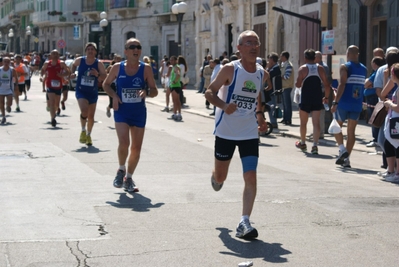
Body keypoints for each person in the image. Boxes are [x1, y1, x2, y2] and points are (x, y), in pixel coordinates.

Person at [205, 30, 271, 239]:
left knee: (250, 176)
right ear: (239, 48)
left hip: (249, 133)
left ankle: (244, 222)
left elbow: (257, 96)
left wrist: (260, 117)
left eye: (256, 43)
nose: (253, 46)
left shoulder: (262, 73)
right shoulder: (229, 69)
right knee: (221, 177)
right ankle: (216, 176)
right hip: (226, 131)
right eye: (248, 43)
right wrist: (224, 106)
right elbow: (209, 92)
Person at [103, 38, 158, 192]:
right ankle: (120, 170)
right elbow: (105, 84)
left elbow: (155, 90)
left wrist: (147, 92)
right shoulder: (116, 68)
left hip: (138, 112)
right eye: (132, 47)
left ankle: (129, 177)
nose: (136, 50)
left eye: (139, 47)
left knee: (136, 148)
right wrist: (114, 96)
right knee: (124, 143)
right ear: (126, 51)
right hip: (122, 110)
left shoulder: (145, 68)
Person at [331, 45, 367, 168]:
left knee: (336, 127)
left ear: (348, 54)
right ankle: (347, 159)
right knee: (351, 131)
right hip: (357, 103)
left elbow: (342, 84)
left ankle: (342, 149)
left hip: (344, 102)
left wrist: (335, 101)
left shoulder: (345, 67)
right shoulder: (364, 69)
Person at [295, 49, 331, 154]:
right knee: (316, 123)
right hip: (317, 97)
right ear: (314, 58)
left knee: (303, 123)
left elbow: (297, 84)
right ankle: (315, 145)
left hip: (305, 97)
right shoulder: (320, 68)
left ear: (305, 58)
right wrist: (326, 97)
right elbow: (327, 84)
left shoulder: (302, 69)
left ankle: (303, 142)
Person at [70, 43, 107, 145]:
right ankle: (83, 130)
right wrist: (72, 73)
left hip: (93, 92)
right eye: (88, 49)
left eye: (92, 49)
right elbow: (73, 65)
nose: (90, 51)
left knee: (91, 117)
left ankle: (88, 135)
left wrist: (98, 74)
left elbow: (104, 76)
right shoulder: (80, 60)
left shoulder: (98, 63)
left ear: (95, 51)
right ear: (85, 51)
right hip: (81, 90)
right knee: (84, 111)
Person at [40, 50, 70, 127]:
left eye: (56, 54)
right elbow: (42, 70)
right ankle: (53, 118)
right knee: (52, 103)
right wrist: (41, 77)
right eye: (53, 54)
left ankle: (54, 113)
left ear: (58, 55)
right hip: (50, 85)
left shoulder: (62, 63)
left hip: (58, 86)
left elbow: (68, 72)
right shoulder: (47, 63)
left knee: (56, 104)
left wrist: (62, 75)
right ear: (51, 55)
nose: (55, 55)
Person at [364, 56, 385, 147]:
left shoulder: (377, 72)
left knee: (375, 119)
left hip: (373, 98)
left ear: (374, 64)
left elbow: (366, 84)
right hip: (373, 97)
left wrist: (369, 85)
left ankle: (376, 139)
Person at [315, 51, 332, 139]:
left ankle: (320, 132)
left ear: (318, 58)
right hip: (318, 91)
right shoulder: (319, 66)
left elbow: (325, 81)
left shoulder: (323, 67)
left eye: (315, 57)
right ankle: (317, 131)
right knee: (316, 112)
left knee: (320, 112)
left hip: (322, 91)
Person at [265, 52, 282, 129]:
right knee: (271, 106)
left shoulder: (276, 68)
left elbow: (267, 75)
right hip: (271, 90)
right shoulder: (273, 68)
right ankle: (273, 122)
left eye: (269, 59)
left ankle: (274, 123)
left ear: (272, 59)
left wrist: (267, 67)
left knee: (272, 106)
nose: (268, 60)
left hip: (273, 90)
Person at [0, 57, 17, 124]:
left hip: (9, 88)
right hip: (1, 89)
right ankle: (3, 116)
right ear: (2, 62)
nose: (6, 63)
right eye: (5, 61)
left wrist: (16, 86)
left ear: (10, 62)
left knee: (10, 102)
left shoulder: (12, 70)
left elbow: (15, 78)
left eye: (8, 62)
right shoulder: (0, 70)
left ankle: (8, 106)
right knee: (1, 103)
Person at [280, 51, 294, 125]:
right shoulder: (283, 64)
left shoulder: (288, 65)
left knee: (287, 104)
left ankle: (288, 119)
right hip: (283, 86)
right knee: (284, 104)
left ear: (284, 57)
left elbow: (287, 76)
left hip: (287, 86)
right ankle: (285, 118)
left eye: (281, 56)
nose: (280, 58)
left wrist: (280, 77)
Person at [169, 55, 183, 121]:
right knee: (176, 100)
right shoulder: (174, 67)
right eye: (170, 60)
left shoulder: (176, 67)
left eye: (172, 60)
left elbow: (178, 74)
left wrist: (174, 81)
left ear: (175, 60)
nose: (171, 61)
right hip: (174, 86)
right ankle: (177, 113)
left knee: (175, 101)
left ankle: (176, 114)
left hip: (175, 86)